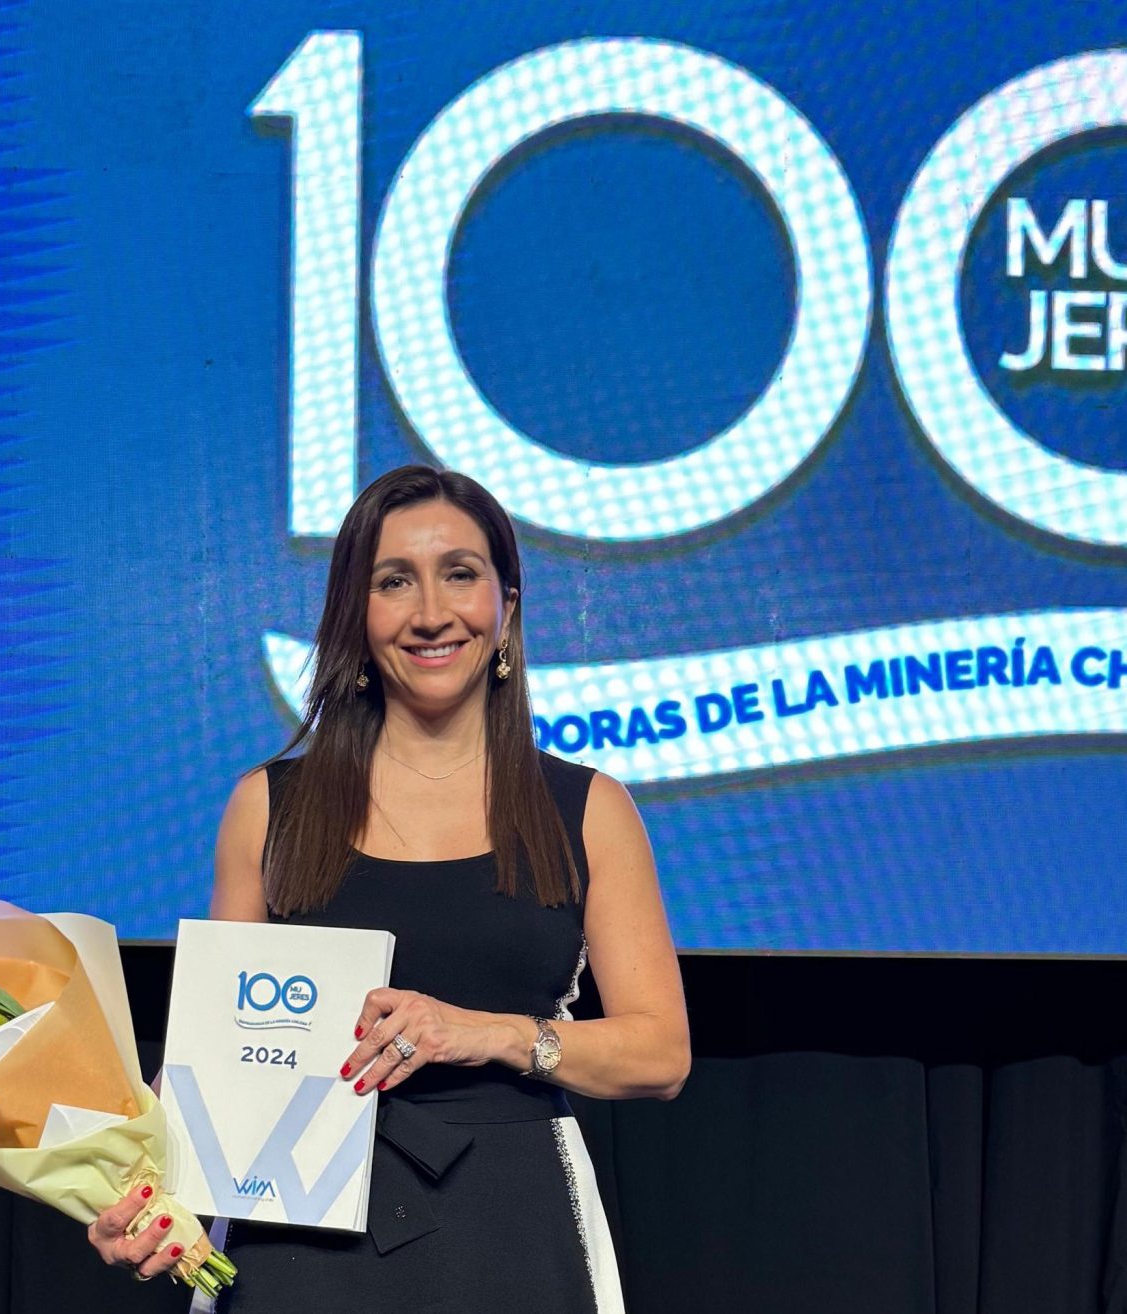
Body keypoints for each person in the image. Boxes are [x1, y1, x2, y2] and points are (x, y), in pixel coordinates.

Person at [89, 465, 690, 1310]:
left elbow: (661, 1055)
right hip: (294, 1233)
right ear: (355, 615)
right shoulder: (268, 805)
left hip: (513, 1227)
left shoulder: (588, 809)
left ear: (507, 608)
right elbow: (215, 1057)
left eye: (460, 574)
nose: (431, 612)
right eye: (394, 581)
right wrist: (137, 1194)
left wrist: (480, 1032)